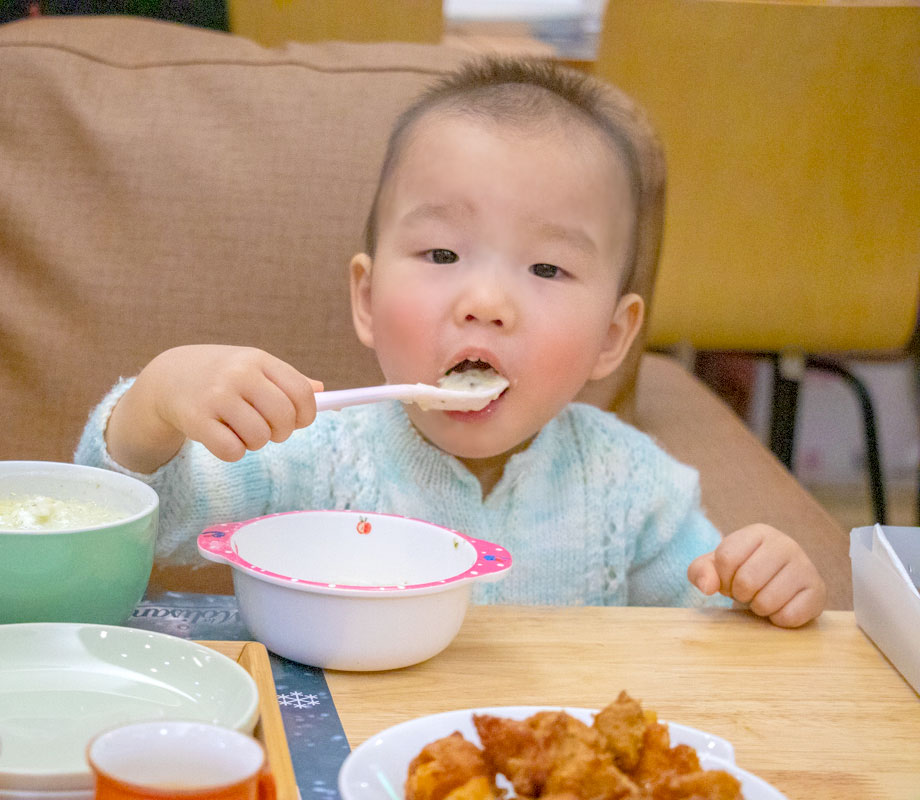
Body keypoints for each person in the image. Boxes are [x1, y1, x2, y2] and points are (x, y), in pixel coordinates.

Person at [75, 58, 826, 627]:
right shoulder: (310, 452)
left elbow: (704, 637)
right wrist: (159, 400)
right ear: (366, 299)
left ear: (613, 337)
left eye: (547, 267)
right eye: (441, 256)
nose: (486, 303)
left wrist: (755, 587)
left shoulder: (636, 490)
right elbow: (123, 523)